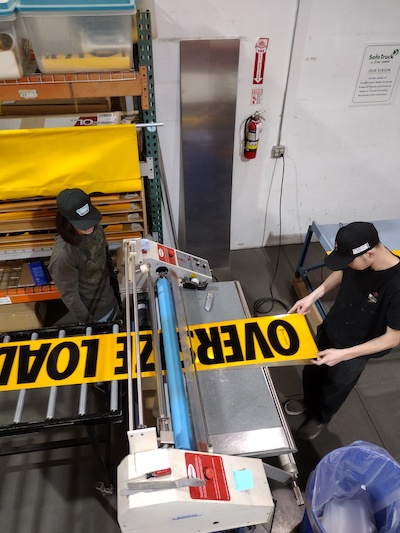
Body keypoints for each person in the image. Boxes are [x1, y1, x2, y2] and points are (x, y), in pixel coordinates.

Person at [285, 221, 400, 440]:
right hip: (334, 325)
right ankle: (309, 402)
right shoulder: (359, 262)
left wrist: (343, 354)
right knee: (312, 370)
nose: (345, 265)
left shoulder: (396, 285)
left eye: (349, 261)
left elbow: (393, 338)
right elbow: (342, 273)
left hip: (357, 348)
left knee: (337, 384)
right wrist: (313, 295)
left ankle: (319, 417)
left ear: (370, 254)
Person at [48, 188, 119, 326]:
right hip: (95, 316)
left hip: (112, 300)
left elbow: (105, 255)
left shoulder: (95, 227)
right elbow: (70, 297)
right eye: (82, 223)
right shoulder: (63, 255)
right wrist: (90, 325)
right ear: (66, 222)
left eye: (89, 219)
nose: (89, 226)